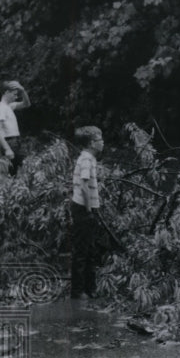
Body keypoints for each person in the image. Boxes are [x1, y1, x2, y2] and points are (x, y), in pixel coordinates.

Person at [70, 126, 104, 299]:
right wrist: (90, 209)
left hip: (87, 208)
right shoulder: (86, 159)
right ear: (92, 143)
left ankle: (90, 289)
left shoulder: (89, 158)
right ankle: (77, 292)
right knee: (82, 251)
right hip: (83, 209)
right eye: (100, 140)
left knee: (90, 249)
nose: (102, 143)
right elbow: (84, 185)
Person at [0, 80, 31, 176]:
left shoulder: (9, 106)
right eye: (14, 94)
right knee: (12, 173)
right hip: (10, 143)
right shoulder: (1, 108)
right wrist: (7, 149)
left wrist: (23, 91)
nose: (16, 97)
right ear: (7, 93)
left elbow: (27, 104)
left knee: (23, 171)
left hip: (16, 142)